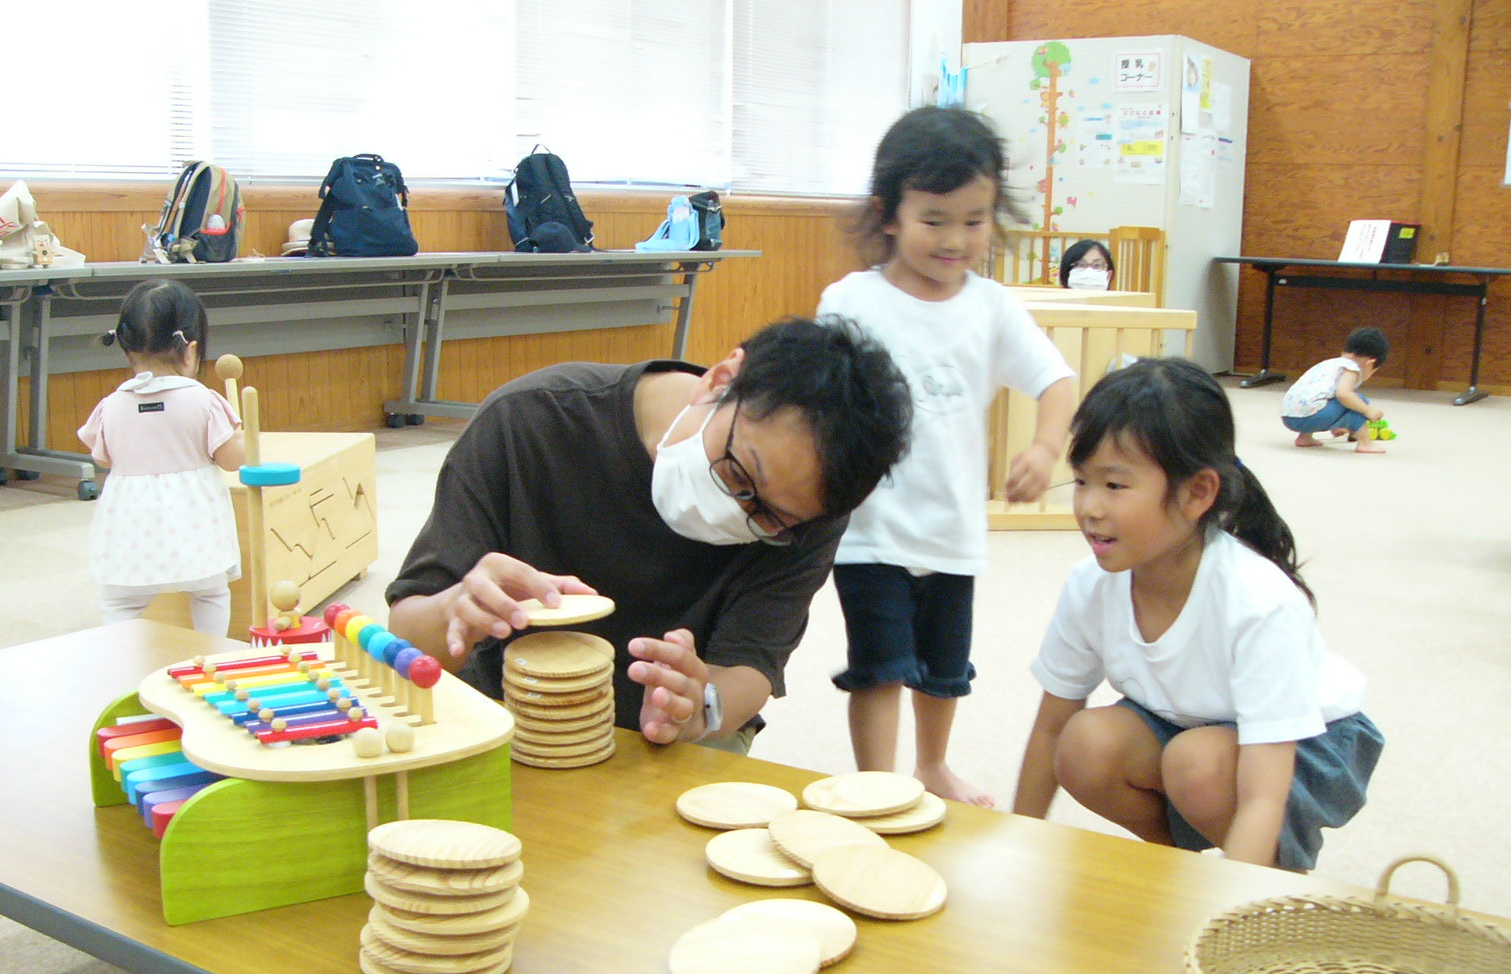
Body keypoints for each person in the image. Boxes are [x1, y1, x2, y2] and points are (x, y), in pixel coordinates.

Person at [385, 317, 913, 751]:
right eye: (737, 474)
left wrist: (699, 707)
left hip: (679, 735)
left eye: (769, 519)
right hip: (510, 709)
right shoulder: (529, 421)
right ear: (722, 378)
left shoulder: (811, 509)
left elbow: (749, 666)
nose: (738, 513)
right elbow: (406, 638)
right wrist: (457, 609)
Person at [1012, 358, 1383, 869]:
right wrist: (1019, 848)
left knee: (1197, 765)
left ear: (1197, 493)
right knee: (1085, 746)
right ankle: (1177, 874)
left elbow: (1262, 795)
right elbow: (1053, 726)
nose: (1089, 507)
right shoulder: (1091, 585)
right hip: (1187, 724)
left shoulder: (1258, 602)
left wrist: (1230, 925)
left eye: (1115, 486)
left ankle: (1271, 886)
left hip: (1305, 742)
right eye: (1080, 481)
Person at [818, 105, 1078, 807]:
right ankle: (876, 784)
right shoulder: (852, 301)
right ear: (890, 214)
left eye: (975, 219)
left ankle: (932, 765)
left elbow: (1056, 380)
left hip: (953, 530)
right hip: (869, 530)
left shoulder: (990, 306)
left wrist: (1047, 445)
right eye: (935, 219)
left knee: (942, 668)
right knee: (877, 667)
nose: (955, 239)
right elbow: (820, 396)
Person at [77, 280, 245, 636]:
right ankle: (210, 653)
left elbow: (103, 459)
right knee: (210, 592)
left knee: (119, 602)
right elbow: (232, 460)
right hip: (195, 521)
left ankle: (121, 660)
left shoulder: (111, 406)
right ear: (190, 351)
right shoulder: (204, 399)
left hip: (130, 526)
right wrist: (242, 435)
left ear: (125, 350)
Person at [1281, 326, 1389, 453]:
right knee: (1359, 401)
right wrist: (1368, 410)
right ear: (1370, 363)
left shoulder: (1329, 363)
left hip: (1289, 416)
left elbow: (1322, 396)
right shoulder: (1351, 368)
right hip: (1310, 417)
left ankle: (1304, 437)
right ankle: (1365, 443)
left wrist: (1337, 422)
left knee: (1319, 401)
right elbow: (1343, 395)